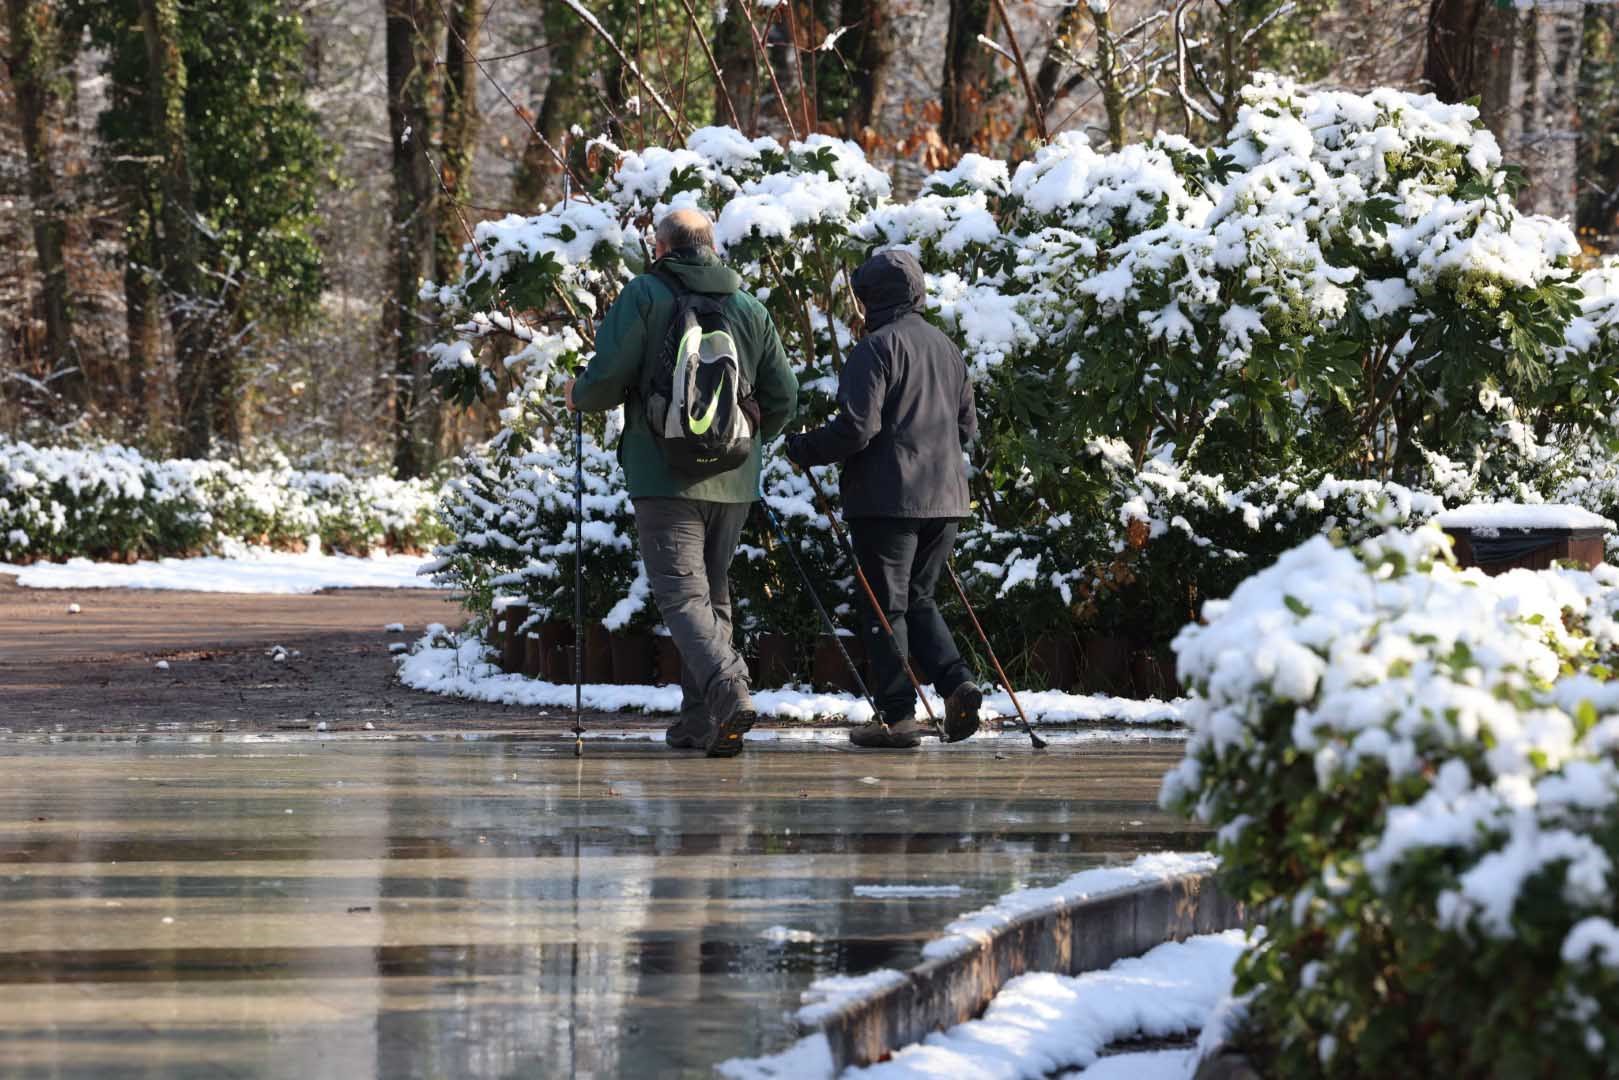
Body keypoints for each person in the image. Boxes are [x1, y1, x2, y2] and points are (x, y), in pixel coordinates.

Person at [567, 208, 798, 757]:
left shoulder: (645, 295)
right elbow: (784, 395)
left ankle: (729, 689)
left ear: (661, 247)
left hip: (663, 475)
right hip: (735, 482)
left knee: (681, 597)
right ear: (712, 246)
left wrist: (580, 394)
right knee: (712, 596)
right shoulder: (749, 306)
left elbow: (606, 378)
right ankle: (703, 723)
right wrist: (746, 444)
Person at [784, 249, 982, 749]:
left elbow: (857, 428)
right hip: (947, 498)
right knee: (917, 598)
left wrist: (804, 448)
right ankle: (957, 684)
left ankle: (897, 718)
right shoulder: (947, 348)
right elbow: (967, 430)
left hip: (887, 500)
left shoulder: (876, 349)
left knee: (883, 608)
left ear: (871, 298)